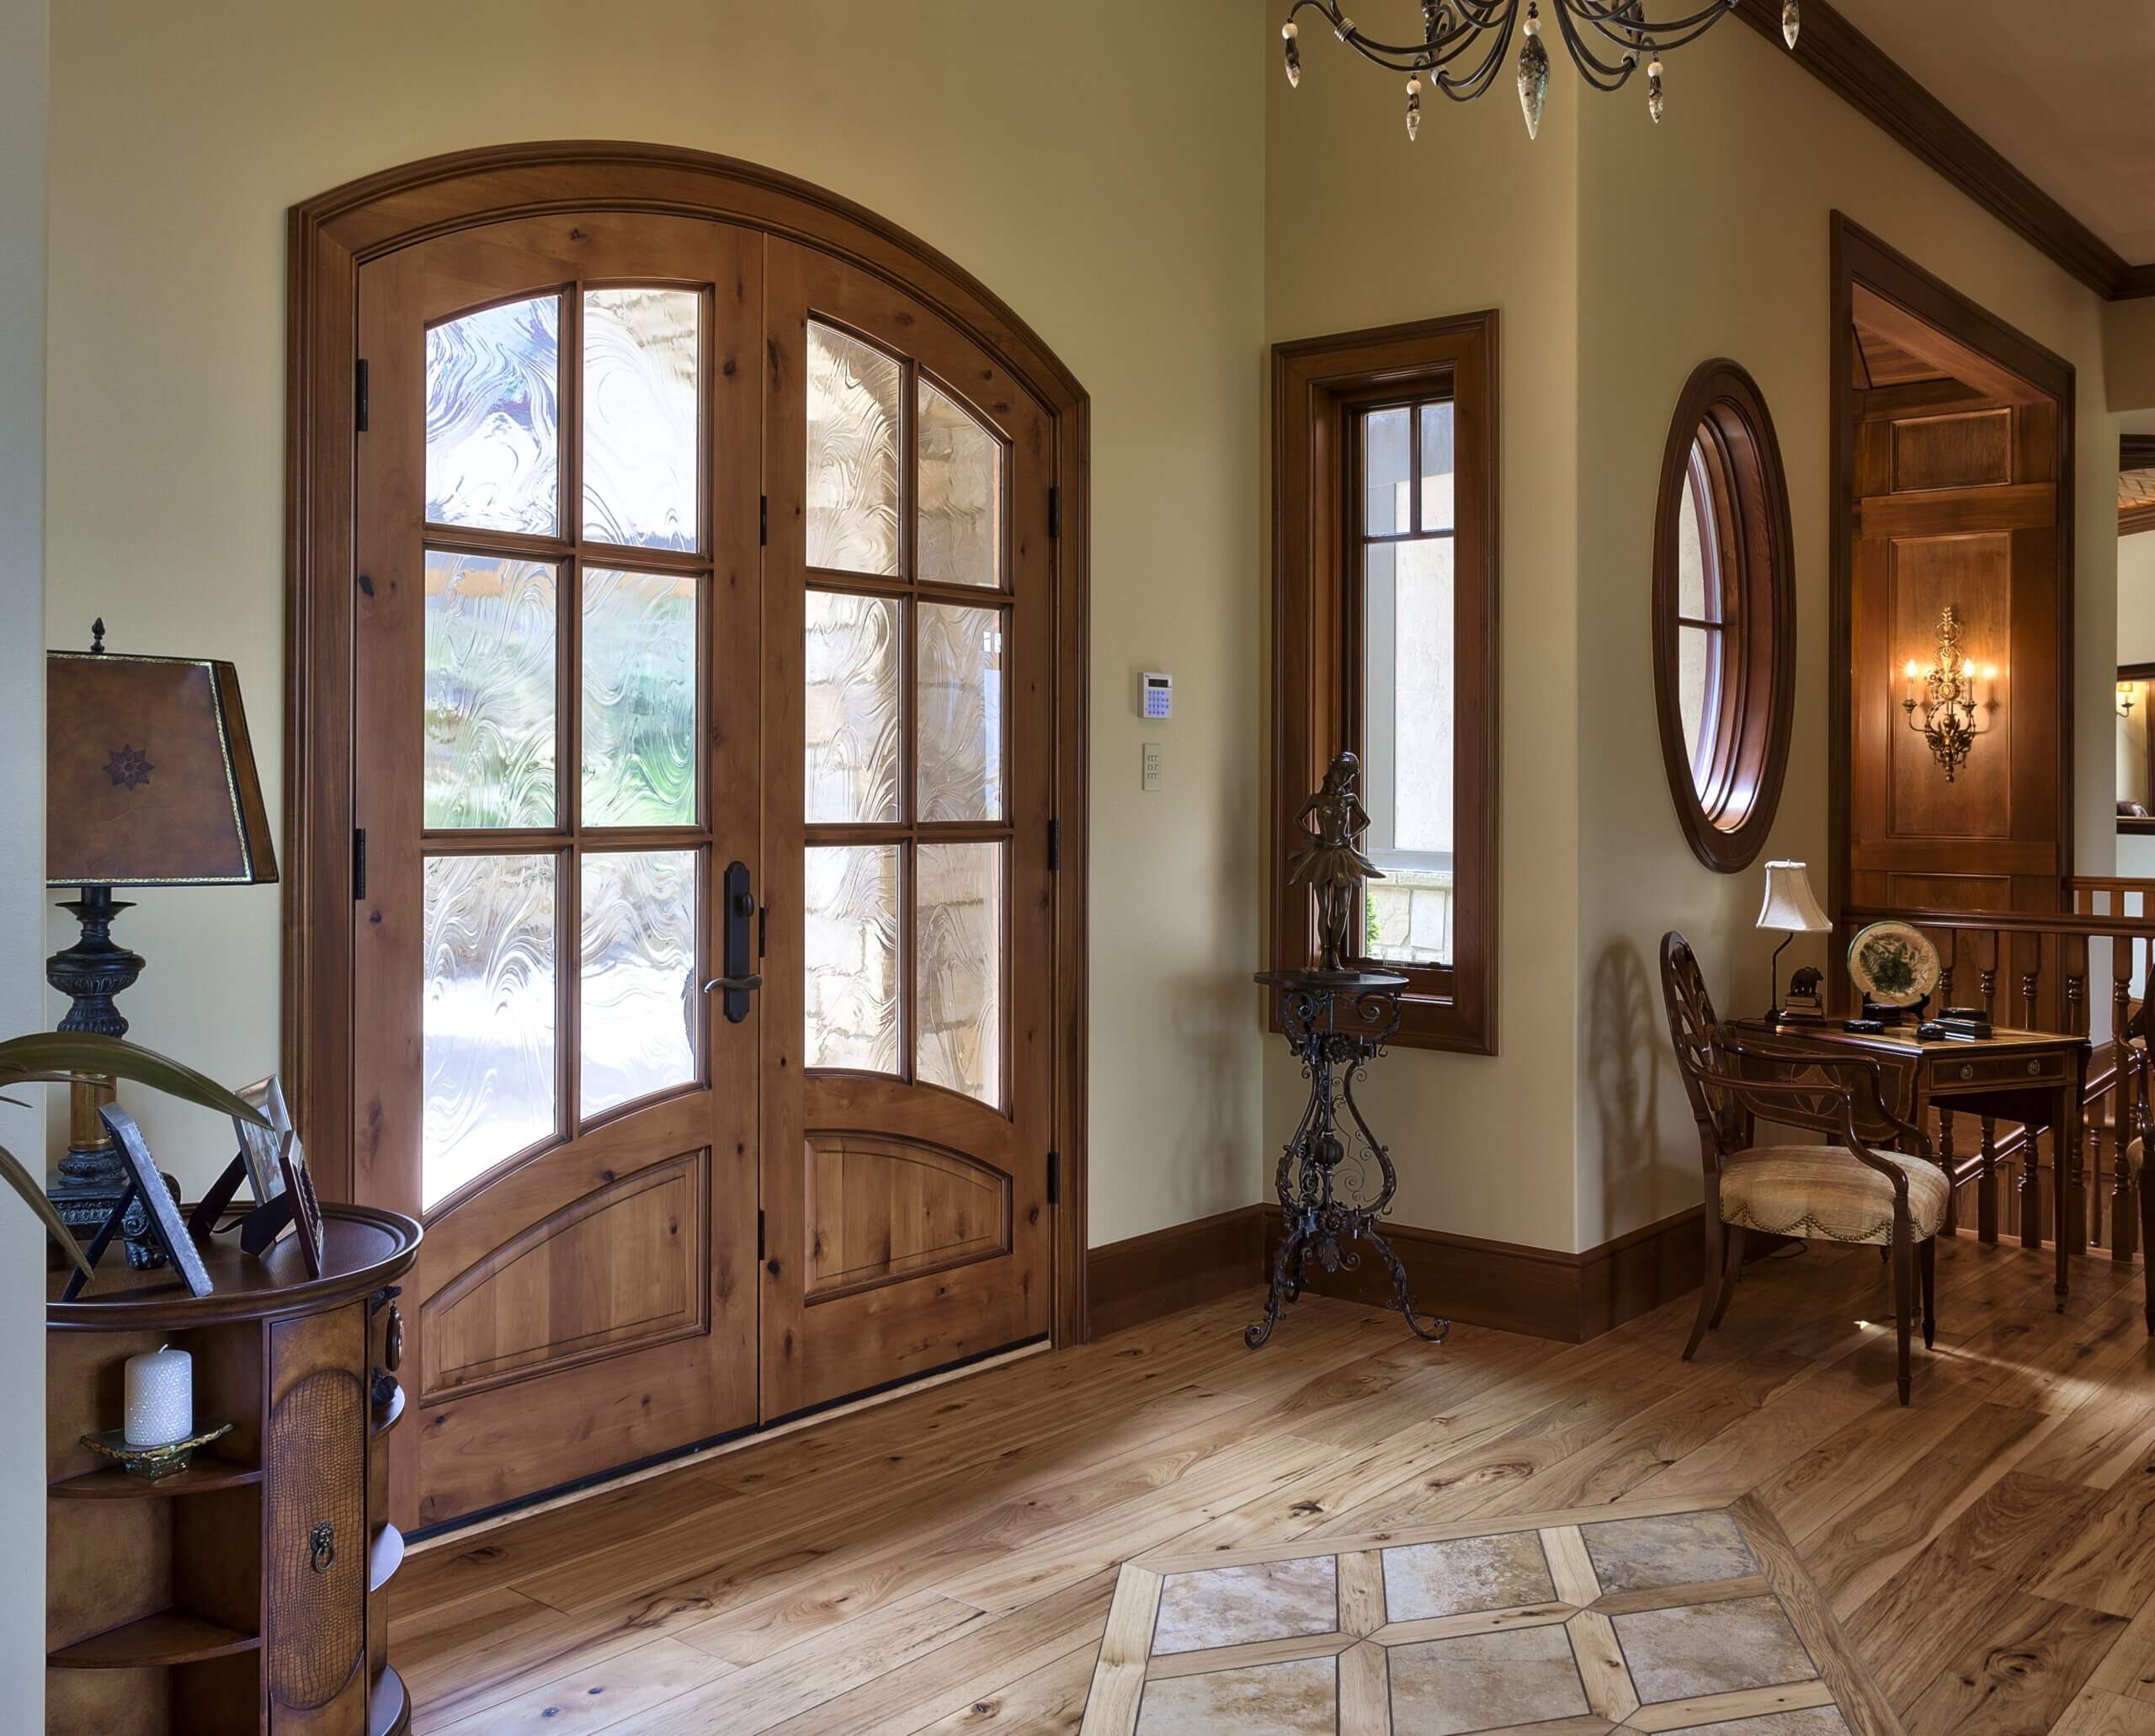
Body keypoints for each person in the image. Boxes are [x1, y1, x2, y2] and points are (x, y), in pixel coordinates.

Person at [1288, 749, 1381, 972]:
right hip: (1322, 855)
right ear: (1335, 773)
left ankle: (1335, 952)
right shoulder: (1316, 799)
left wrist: (1351, 835)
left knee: (1343, 909)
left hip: (1343, 855)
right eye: (1344, 775)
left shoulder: (1349, 799)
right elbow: (1297, 818)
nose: (1346, 780)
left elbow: (1366, 820)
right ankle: (1325, 953)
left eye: (1349, 777)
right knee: (1324, 908)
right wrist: (1311, 835)